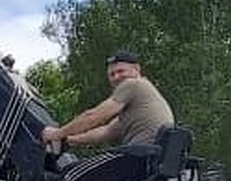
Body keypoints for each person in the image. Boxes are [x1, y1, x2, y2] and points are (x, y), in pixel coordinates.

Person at [41, 50, 173, 149]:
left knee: (69, 177)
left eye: (121, 71)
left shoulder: (133, 84)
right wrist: (69, 140)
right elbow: (106, 132)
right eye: (112, 74)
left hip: (139, 157)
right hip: (150, 161)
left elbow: (94, 116)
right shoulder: (141, 100)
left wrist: (57, 134)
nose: (116, 77)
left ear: (136, 69)